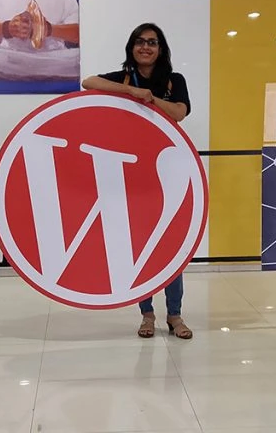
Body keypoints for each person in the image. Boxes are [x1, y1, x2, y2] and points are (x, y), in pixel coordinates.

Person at [81, 23, 193, 339]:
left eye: (153, 42)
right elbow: (88, 82)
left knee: (171, 247)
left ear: (161, 48)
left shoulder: (174, 81)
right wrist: (131, 91)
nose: (146, 47)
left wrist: (151, 98)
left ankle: (175, 315)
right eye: (140, 42)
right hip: (131, 173)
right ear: (132, 46)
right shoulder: (125, 79)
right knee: (142, 245)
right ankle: (147, 314)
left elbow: (179, 112)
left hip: (168, 171)